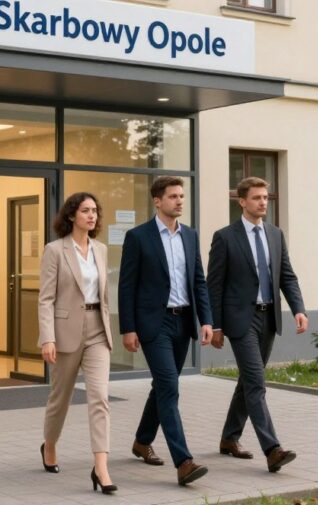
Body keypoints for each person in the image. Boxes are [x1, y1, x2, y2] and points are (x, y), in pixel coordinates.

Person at [207, 176, 307, 473]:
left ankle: (229, 438)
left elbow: (286, 275)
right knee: (256, 382)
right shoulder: (225, 237)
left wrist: (297, 308)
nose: (263, 202)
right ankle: (272, 449)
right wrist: (215, 325)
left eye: (265, 197)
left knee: (248, 381)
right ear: (242, 201)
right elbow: (215, 285)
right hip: (240, 320)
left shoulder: (275, 234)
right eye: (257, 198)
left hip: (268, 317)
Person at [118, 176, 213, 486]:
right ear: (157, 201)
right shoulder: (138, 237)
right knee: (170, 386)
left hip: (183, 322)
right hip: (153, 324)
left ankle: (142, 441)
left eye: (181, 195)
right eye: (173, 196)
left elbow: (199, 280)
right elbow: (127, 285)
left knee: (162, 386)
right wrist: (128, 328)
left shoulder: (190, 236)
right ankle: (184, 461)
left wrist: (207, 320)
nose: (180, 201)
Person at [39, 192, 117, 494]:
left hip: (97, 328)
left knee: (100, 397)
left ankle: (101, 468)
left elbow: (103, 294)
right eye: (86, 210)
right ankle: (50, 445)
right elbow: (45, 298)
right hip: (65, 331)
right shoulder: (55, 250)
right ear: (72, 215)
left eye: (95, 211)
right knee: (60, 399)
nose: (92, 216)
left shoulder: (100, 249)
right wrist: (47, 337)